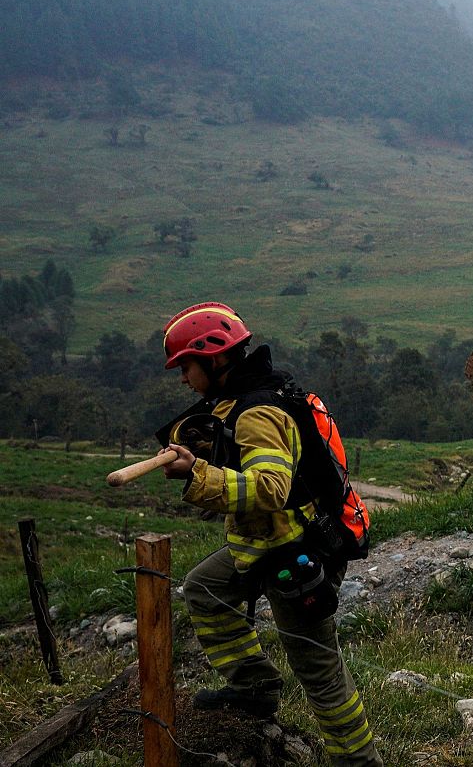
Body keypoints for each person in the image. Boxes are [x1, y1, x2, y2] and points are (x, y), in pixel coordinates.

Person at [157, 302, 380, 765]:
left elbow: (269, 489)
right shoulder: (251, 396)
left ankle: (358, 761)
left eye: (186, 366)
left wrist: (197, 473)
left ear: (214, 359)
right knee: (205, 587)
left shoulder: (257, 412)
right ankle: (254, 686)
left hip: (297, 554)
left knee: (320, 675)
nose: (182, 378)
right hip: (263, 546)